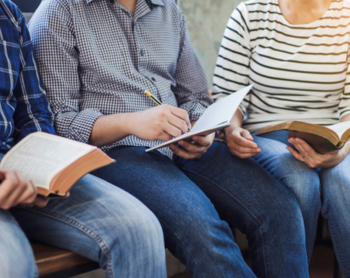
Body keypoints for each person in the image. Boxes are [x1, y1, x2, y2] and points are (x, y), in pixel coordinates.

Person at [29, 0, 310, 277]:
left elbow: (195, 97)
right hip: (116, 152)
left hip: (182, 144)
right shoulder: (59, 12)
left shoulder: (168, 10)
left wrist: (204, 131)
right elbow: (58, 123)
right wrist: (132, 123)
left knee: (280, 209)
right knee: (200, 225)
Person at [0, 1, 166, 277]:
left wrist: (43, 168)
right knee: (11, 266)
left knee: (140, 229)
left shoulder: (8, 15)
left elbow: (32, 111)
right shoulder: (59, 12)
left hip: (18, 171)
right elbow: (64, 115)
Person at [213, 0, 350, 274]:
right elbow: (228, 97)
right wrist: (232, 129)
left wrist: (342, 150)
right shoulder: (250, 13)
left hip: (333, 137)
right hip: (267, 137)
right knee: (300, 180)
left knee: (343, 183)